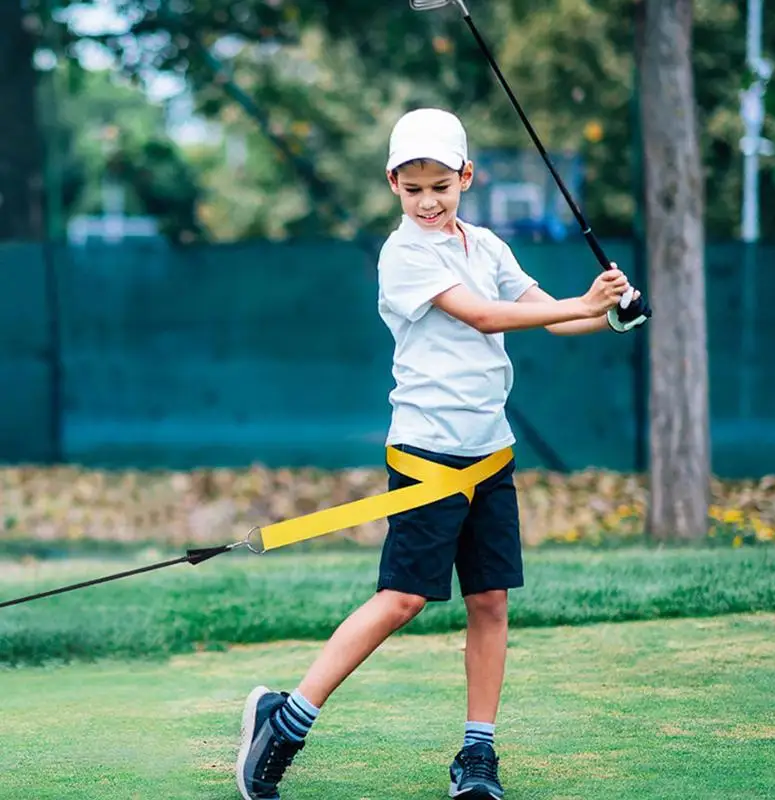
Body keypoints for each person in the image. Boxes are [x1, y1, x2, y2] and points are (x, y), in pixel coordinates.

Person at [235, 108, 649, 800]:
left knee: (489, 600)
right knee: (401, 599)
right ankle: (286, 720)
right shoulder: (403, 254)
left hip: (491, 456)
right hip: (428, 453)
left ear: (466, 177)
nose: (427, 201)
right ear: (392, 184)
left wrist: (607, 309)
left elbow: (547, 313)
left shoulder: (485, 246)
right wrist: (579, 303)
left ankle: (476, 755)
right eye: (412, 188)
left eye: (440, 186)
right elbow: (487, 316)